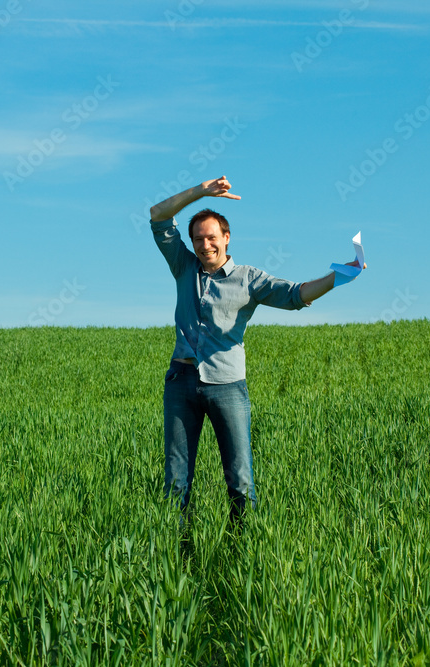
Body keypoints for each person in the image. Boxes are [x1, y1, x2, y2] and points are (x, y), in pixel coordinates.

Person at [149, 175, 365, 536]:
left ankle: (243, 552)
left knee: (240, 479)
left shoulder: (249, 279)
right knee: (176, 480)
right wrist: (201, 191)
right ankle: (177, 552)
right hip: (181, 382)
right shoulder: (184, 266)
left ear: (226, 238)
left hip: (227, 386)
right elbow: (158, 215)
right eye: (198, 239)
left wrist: (339, 276)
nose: (204, 245)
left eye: (211, 237)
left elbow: (295, 295)